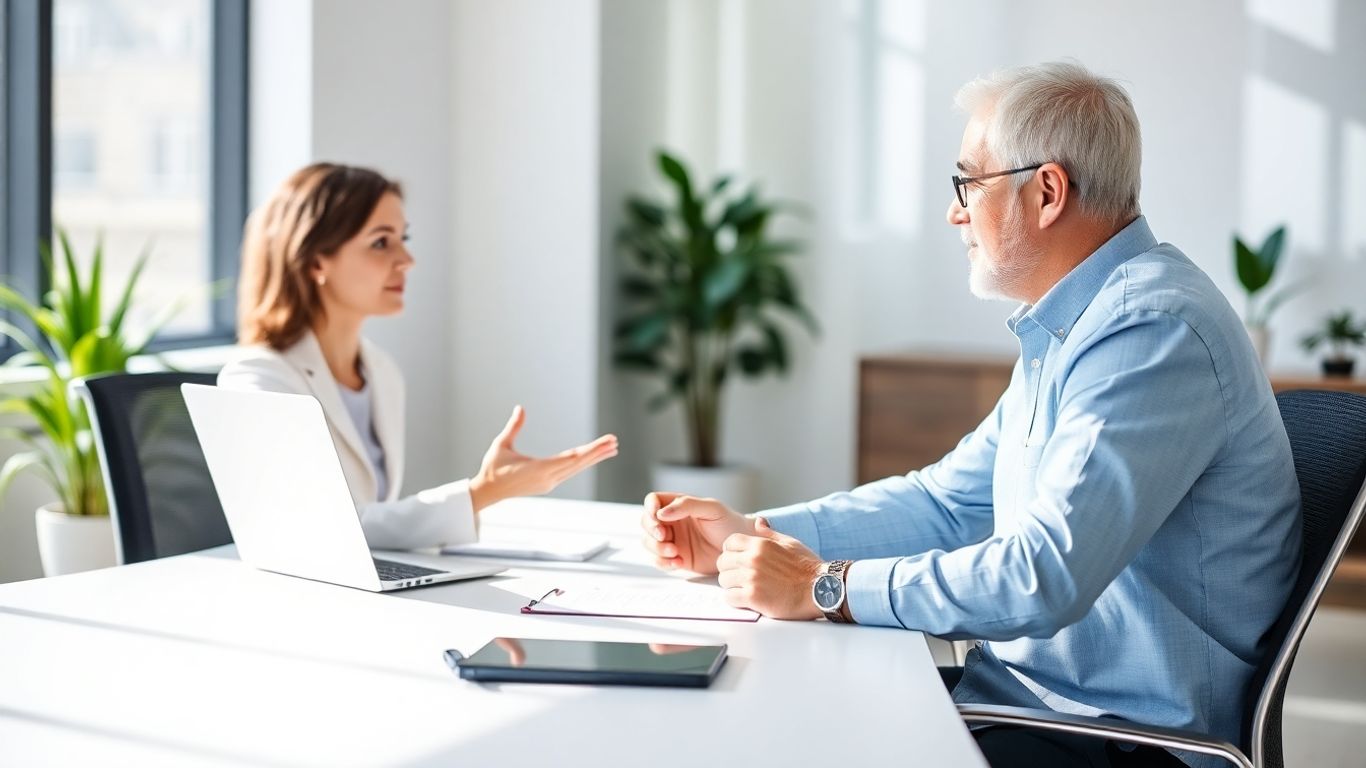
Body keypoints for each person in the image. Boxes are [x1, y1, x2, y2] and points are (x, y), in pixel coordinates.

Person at [638, 61, 1300, 768]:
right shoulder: (1079, 325)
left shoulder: (1152, 331)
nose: (955, 211)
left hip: (1118, 741)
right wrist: (755, 534)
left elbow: (1041, 575)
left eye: (968, 183)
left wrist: (823, 586)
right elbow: (948, 505)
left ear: (1047, 192)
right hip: (1029, 704)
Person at [220, 163, 618, 550]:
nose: (406, 260)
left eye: (402, 239)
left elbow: (376, 518)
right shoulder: (258, 380)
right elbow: (324, 528)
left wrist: (483, 494)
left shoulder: (382, 373)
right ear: (316, 261)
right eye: (380, 242)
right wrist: (481, 493)